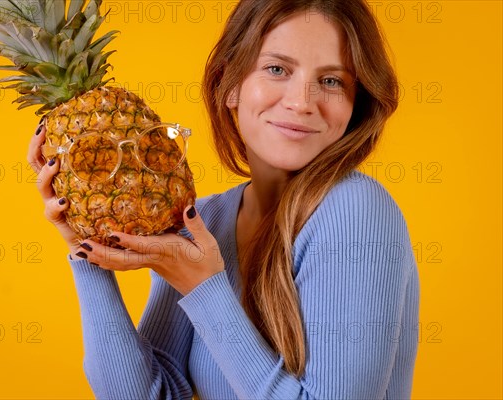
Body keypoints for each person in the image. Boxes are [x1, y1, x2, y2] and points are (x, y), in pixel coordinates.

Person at [27, 0, 420, 398]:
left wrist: (204, 287)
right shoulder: (209, 218)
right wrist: (85, 247)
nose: (302, 102)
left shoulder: (357, 211)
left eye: (332, 80)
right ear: (229, 84)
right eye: (277, 69)